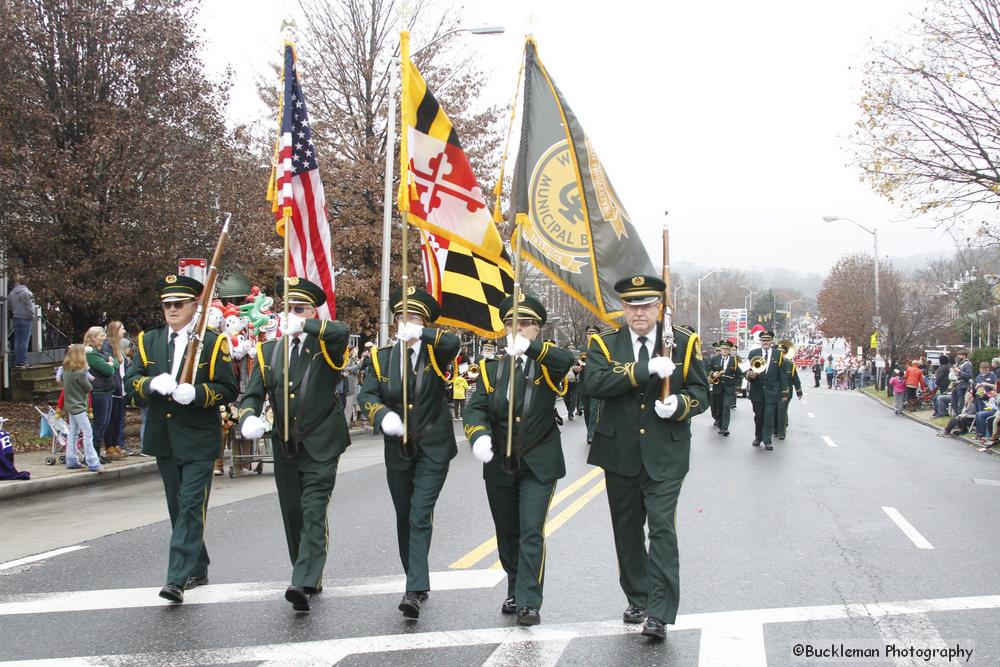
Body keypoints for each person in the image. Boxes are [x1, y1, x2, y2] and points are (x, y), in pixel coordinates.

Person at [584, 274, 709, 641]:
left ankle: (659, 611)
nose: (640, 312)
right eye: (632, 306)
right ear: (622, 308)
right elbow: (594, 384)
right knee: (627, 532)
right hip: (618, 452)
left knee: (662, 529)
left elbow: (701, 390)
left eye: (647, 305)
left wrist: (680, 404)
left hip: (665, 454)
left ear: (659, 307)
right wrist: (644, 370)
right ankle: (637, 597)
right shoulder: (605, 344)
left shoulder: (682, 343)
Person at [238, 277, 350, 612]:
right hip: (285, 444)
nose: (292, 315)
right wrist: (247, 417)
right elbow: (253, 393)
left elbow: (341, 332)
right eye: (288, 309)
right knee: (293, 513)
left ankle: (302, 577)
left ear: (313, 313)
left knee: (314, 510)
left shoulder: (324, 345)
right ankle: (308, 574)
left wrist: (307, 325)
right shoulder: (269, 351)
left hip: (321, 443)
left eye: (300, 309)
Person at [125, 274, 237, 604]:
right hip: (165, 437)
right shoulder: (149, 340)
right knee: (177, 506)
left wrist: (199, 393)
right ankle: (198, 566)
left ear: (194, 307)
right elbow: (131, 380)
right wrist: (148, 386)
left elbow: (229, 389)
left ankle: (177, 578)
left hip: (200, 439)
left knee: (190, 505)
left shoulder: (213, 342)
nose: (172, 310)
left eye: (178, 304)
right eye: (166, 305)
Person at [464, 293, 573, 627]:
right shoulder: (490, 368)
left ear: (537, 329)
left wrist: (532, 350)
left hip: (539, 461)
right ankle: (514, 586)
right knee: (507, 530)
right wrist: (478, 434)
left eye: (526, 324)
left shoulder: (546, 363)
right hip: (499, 461)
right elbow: (475, 408)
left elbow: (566, 360)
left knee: (530, 530)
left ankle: (528, 600)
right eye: (512, 323)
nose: (518, 329)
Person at [356, 287, 460, 621]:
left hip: (433, 446)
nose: (407, 323)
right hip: (397, 448)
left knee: (419, 513)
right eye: (402, 317)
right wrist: (381, 415)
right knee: (405, 516)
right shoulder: (382, 357)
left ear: (425, 323)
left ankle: (413, 588)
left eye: (414, 318)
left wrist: (422, 333)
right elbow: (367, 394)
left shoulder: (434, 352)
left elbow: (451, 344)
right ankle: (415, 574)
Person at [84, 326, 123, 462]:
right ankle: (92, 454)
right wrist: (110, 364)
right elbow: (108, 370)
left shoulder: (103, 351)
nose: (104, 337)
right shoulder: (91, 354)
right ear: (93, 338)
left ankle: (97, 452)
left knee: (105, 422)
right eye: (101, 335)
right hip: (98, 392)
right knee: (99, 423)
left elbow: (117, 363)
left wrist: (112, 364)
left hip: (107, 390)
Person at [61, 344, 102, 472]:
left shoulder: (66, 370)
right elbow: (88, 388)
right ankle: (93, 462)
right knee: (88, 433)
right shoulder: (80, 373)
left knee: (73, 433)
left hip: (70, 405)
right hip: (79, 406)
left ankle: (71, 459)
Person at [746, 331, 787, 450]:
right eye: (763, 340)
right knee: (758, 416)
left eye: (768, 340)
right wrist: (749, 375)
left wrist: (784, 392)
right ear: (760, 341)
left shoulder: (778, 354)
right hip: (756, 391)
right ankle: (758, 437)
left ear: (772, 341)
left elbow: (782, 375)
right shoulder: (754, 353)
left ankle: (767, 440)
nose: (765, 342)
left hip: (772, 392)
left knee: (768, 416)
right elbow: (746, 370)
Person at [103, 321, 131, 456]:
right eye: (122, 329)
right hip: (114, 387)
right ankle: (109, 445)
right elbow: (110, 367)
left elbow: (125, 366)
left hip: (123, 387)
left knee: (119, 418)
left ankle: (116, 443)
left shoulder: (121, 346)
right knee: (111, 419)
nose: (124, 331)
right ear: (115, 330)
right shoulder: (107, 346)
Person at [708, 340, 742, 436]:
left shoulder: (734, 361)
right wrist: (712, 373)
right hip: (717, 387)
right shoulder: (715, 359)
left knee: (726, 407)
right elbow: (707, 369)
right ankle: (720, 424)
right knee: (719, 407)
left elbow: (739, 374)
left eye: (727, 349)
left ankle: (725, 428)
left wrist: (737, 386)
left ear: (729, 350)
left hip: (728, 388)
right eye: (722, 349)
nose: (724, 351)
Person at [773, 341, 802, 439]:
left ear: (785, 353)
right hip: (773, 391)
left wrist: (799, 391)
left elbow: (795, 379)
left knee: (782, 411)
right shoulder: (772, 363)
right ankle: (775, 430)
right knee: (774, 411)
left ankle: (782, 432)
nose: (780, 354)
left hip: (786, 391)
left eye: (782, 352)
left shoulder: (790, 364)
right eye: (778, 352)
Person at [8, 279, 36, 368]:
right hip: (26, 318)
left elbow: (8, 305)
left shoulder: (12, 293)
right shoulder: (27, 293)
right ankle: (23, 361)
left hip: (16, 317)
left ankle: (17, 361)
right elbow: (31, 306)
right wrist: (32, 315)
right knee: (24, 340)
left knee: (17, 340)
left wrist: (14, 310)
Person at [951, 350, 973, 418]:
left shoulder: (967, 364)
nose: (958, 356)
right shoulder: (960, 363)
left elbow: (969, 375)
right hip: (957, 385)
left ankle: (960, 419)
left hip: (963, 385)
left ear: (964, 355)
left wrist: (959, 371)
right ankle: (957, 417)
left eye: (959, 355)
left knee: (961, 403)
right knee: (953, 402)